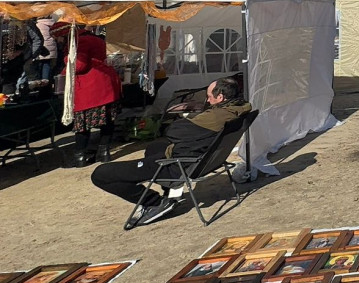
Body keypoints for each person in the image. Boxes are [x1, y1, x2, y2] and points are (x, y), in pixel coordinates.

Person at [90, 76, 251, 227]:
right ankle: (171, 193)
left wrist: (187, 117)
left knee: (101, 174)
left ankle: (154, 202)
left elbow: (173, 131)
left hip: (180, 165)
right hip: (204, 159)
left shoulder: (214, 118)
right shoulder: (238, 110)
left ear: (221, 97)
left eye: (209, 96)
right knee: (155, 147)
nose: (207, 100)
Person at [53, 25, 123, 167]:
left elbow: (79, 65)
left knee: (82, 124)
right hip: (105, 83)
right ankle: (104, 153)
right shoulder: (95, 38)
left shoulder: (80, 42)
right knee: (107, 121)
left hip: (90, 87)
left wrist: (64, 70)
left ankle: (80, 157)